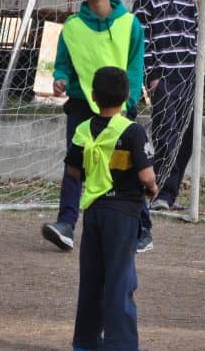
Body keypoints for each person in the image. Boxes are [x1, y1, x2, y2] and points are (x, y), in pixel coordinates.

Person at [42, 0, 151, 253]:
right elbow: (63, 64)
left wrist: (128, 104)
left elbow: (135, 66)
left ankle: (142, 229)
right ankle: (66, 225)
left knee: (124, 170)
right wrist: (60, 79)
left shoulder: (130, 23)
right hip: (81, 104)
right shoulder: (73, 27)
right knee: (74, 165)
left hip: (118, 108)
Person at [67, 66, 157, 351]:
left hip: (93, 212)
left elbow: (72, 171)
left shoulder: (83, 130)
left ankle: (85, 343)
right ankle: (120, 345)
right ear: (128, 96)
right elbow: (146, 176)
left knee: (92, 280)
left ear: (93, 96)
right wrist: (153, 190)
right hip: (123, 214)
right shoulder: (132, 131)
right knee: (120, 280)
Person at [133, 0, 198, 212]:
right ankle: (157, 192)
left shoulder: (187, 1)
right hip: (164, 77)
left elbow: (194, 39)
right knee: (165, 135)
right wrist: (153, 76)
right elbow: (142, 39)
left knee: (187, 139)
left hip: (187, 77)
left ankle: (169, 193)